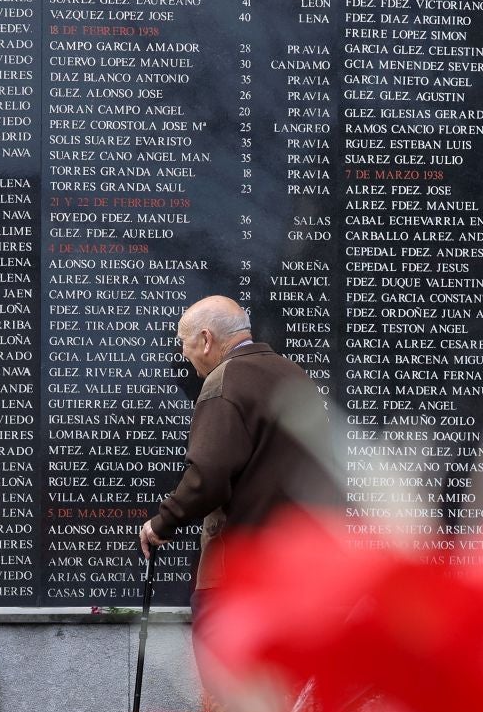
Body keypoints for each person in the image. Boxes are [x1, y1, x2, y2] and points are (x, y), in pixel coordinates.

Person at [139, 295, 341, 689]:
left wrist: (162, 522)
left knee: (233, 697)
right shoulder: (295, 374)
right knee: (287, 695)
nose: (185, 357)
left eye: (184, 344)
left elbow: (209, 475)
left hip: (240, 571)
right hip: (301, 569)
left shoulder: (225, 380)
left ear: (206, 338)